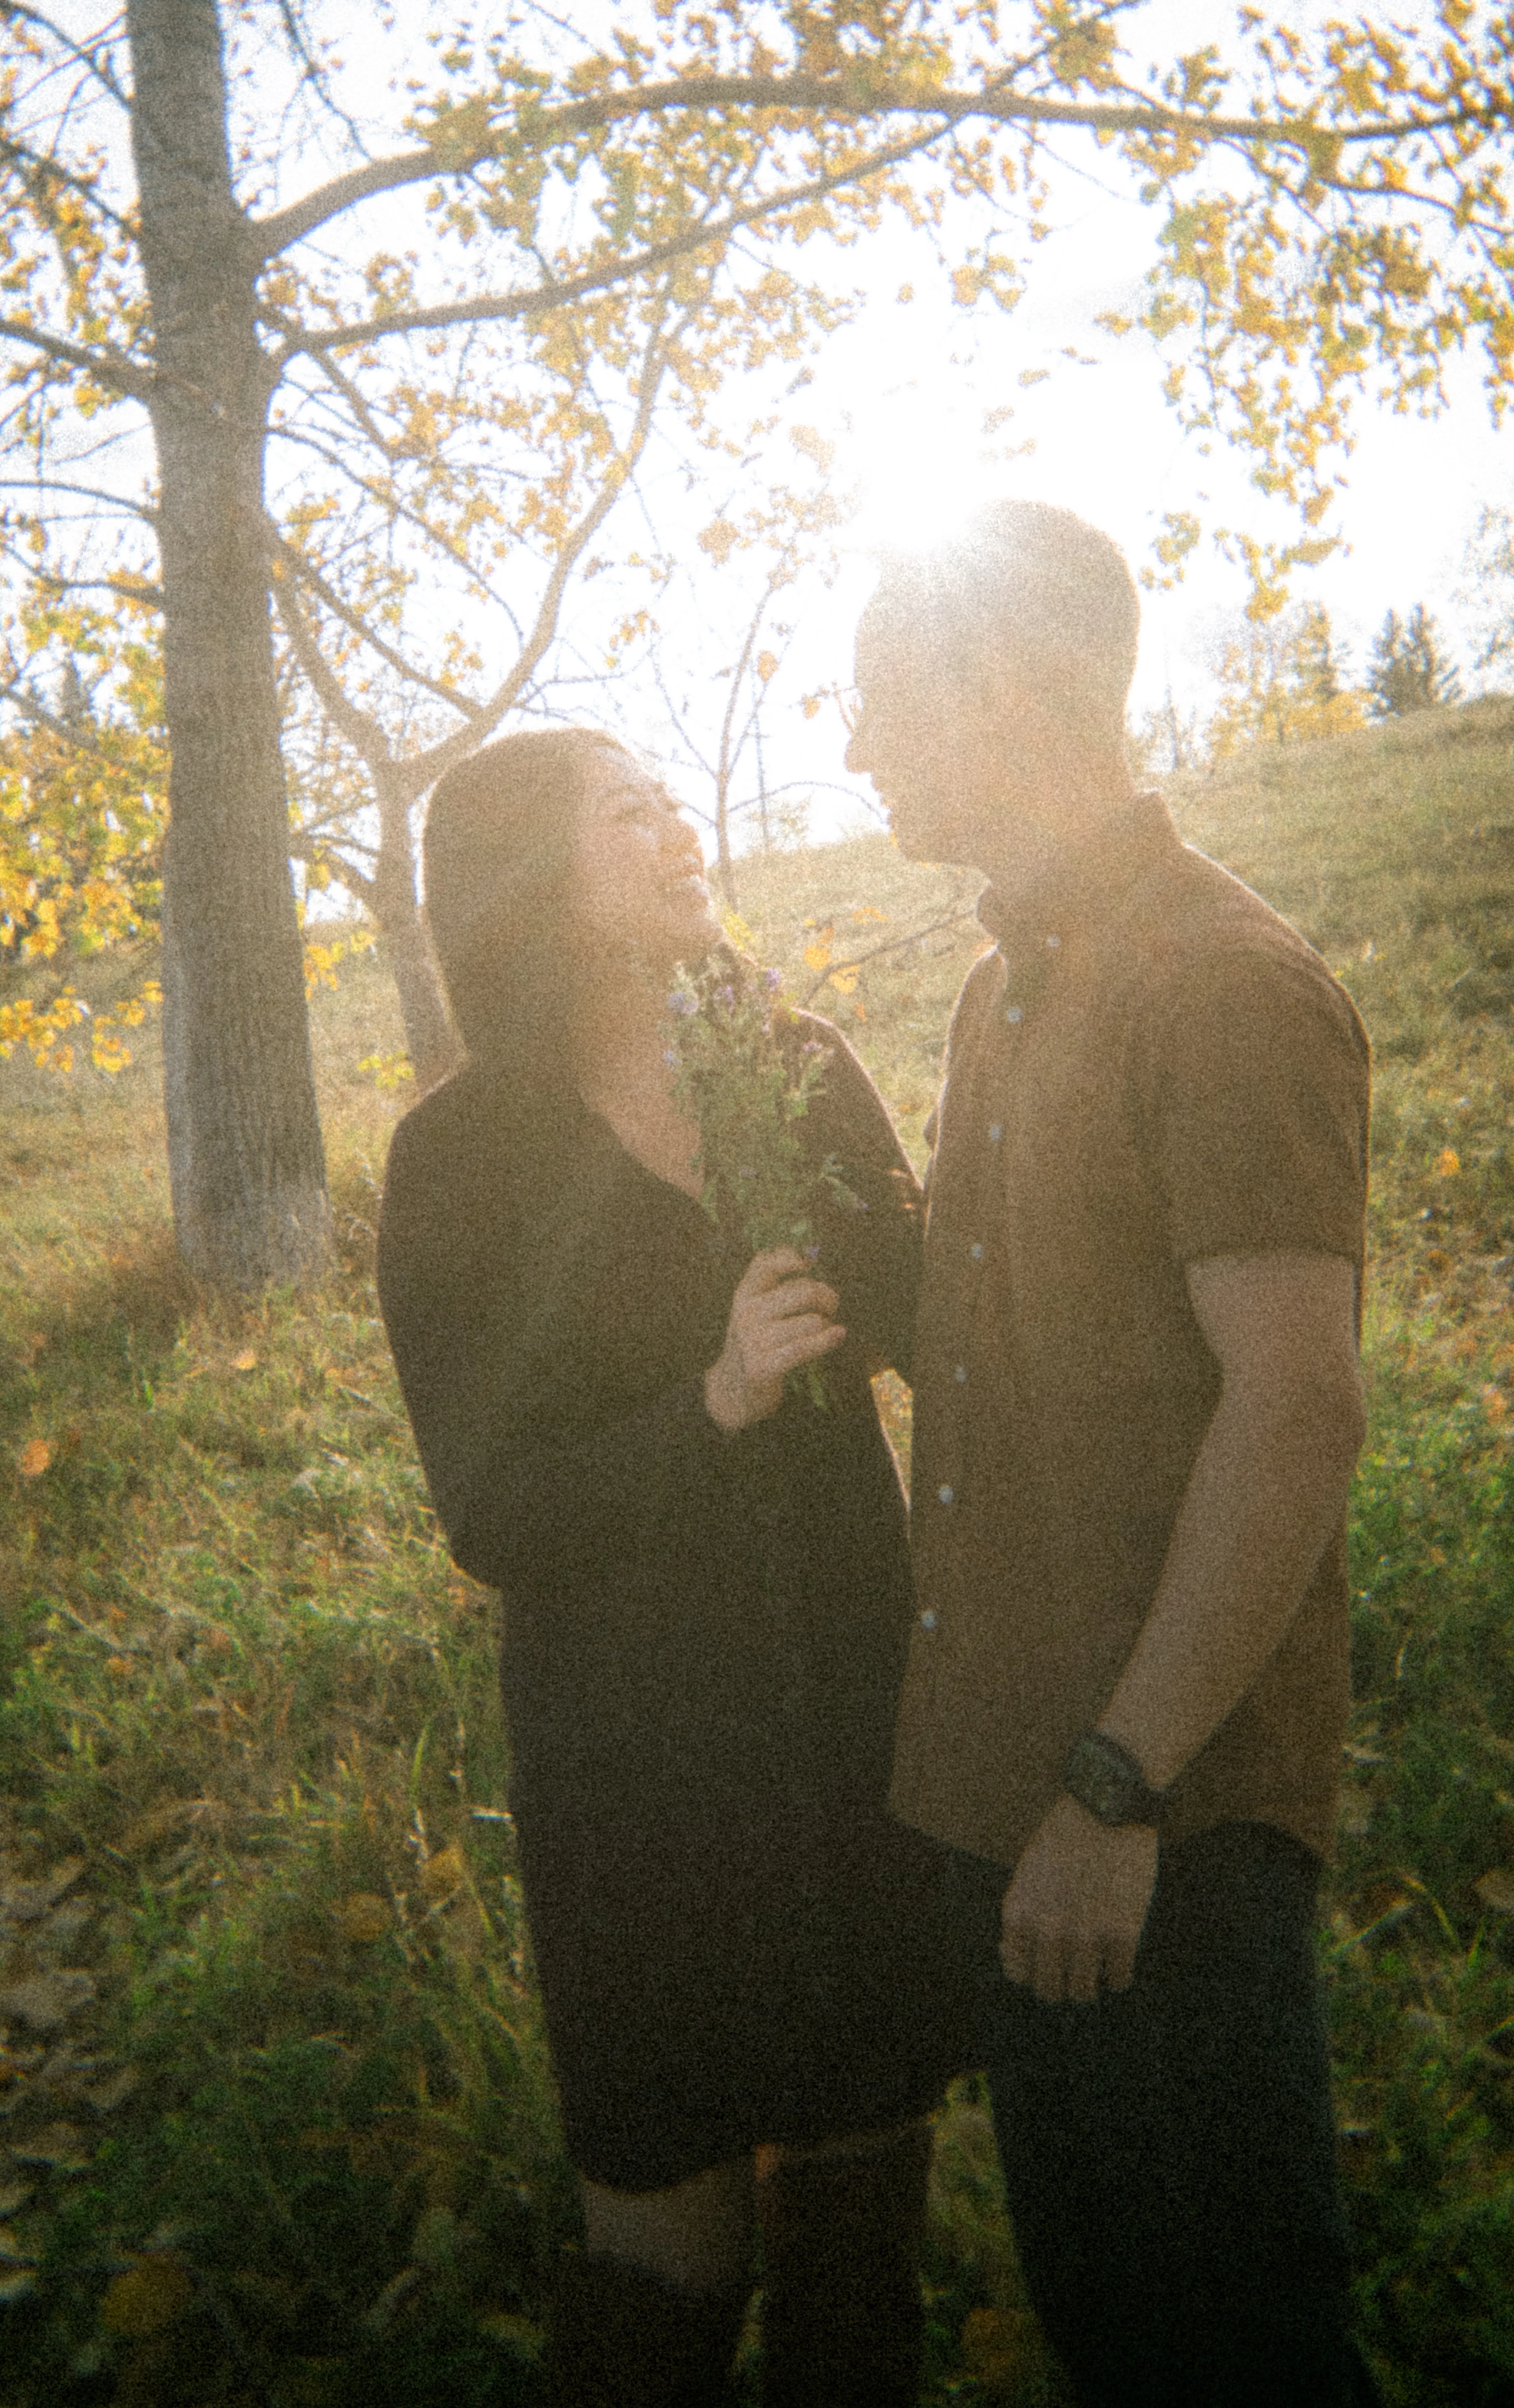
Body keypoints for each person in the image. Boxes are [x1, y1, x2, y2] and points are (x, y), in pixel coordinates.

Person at [845, 502, 1379, 2408]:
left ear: (995, 686)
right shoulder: (1006, 988)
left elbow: (1297, 1407)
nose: (852, 745)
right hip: (1019, 1814)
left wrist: (1114, 1785)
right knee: (1114, 2330)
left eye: (882, 695)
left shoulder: (1221, 987)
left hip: (1152, 1828)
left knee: (1236, 2343)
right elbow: (1013, 1367)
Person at [374, 727, 963, 2408]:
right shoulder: (461, 1158)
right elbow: (493, 1508)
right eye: (625, 813)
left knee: (859, 2220)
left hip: (852, 1704)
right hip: (637, 1761)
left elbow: (934, 1323)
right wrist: (711, 1401)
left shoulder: (789, 1063)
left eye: (668, 799)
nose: (677, 826)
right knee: (669, 2253)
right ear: (530, 888)